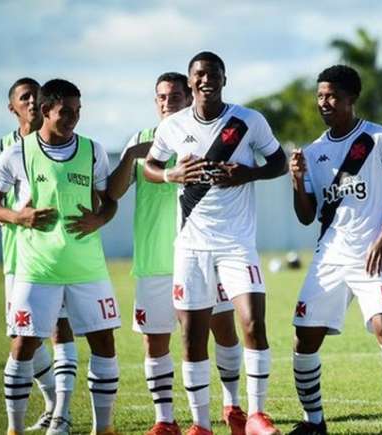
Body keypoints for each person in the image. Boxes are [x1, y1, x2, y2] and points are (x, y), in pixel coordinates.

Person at [144, 51, 288, 435]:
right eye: (199, 75)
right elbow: (150, 167)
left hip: (237, 243)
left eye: (213, 74)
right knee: (192, 335)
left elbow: (280, 163)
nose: (206, 80)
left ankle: (256, 415)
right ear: (190, 82)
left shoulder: (248, 121)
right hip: (191, 246)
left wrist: (248, 173)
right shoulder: (172, 126)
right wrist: (171, 174)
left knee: (252, 322)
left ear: (225, 79)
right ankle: (202, 425)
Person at [288, 65, 382, 435]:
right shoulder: (314, 152)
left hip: (371, 254)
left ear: (351, 98)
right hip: (328, 256)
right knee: (304, 338)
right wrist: (297, 180)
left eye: (331, 96)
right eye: (320, 96)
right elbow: (306, 216)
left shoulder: (379, 140)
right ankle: (314, 423)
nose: (324, 103)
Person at [0, 79, 121, 435]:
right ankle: (14, 429)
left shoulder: (93, 150)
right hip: (37, 270)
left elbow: (110, 202)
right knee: (24, 344)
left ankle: (102, 429)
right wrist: (18, 217)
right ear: (46, 111)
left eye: (78, 111)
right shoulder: (17, 153)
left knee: (104, 342)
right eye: (66, 112)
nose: (74, 118)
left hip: (88, 269)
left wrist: (99, 218)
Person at [0, 78, 79, 433]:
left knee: (59, 329)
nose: (32, 101)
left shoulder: (67, 141)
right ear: (13, 108)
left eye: (36, 95)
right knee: (22, 337)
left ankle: (62, 413)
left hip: (57, 256)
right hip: (17, 257)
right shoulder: (3, 148)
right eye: (24, 97)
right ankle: (53, 402)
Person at [106, 72, 192, 434]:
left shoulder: (199, 136)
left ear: (189, 98)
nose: (166, 102)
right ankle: (164, 421)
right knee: (154, 340)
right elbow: (113, 193)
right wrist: (129, 156)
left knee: (202, 337)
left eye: (174, 96)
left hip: (195, 257)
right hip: (153, 261)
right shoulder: (141, 141)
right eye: (160, 97)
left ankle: (223, 413)